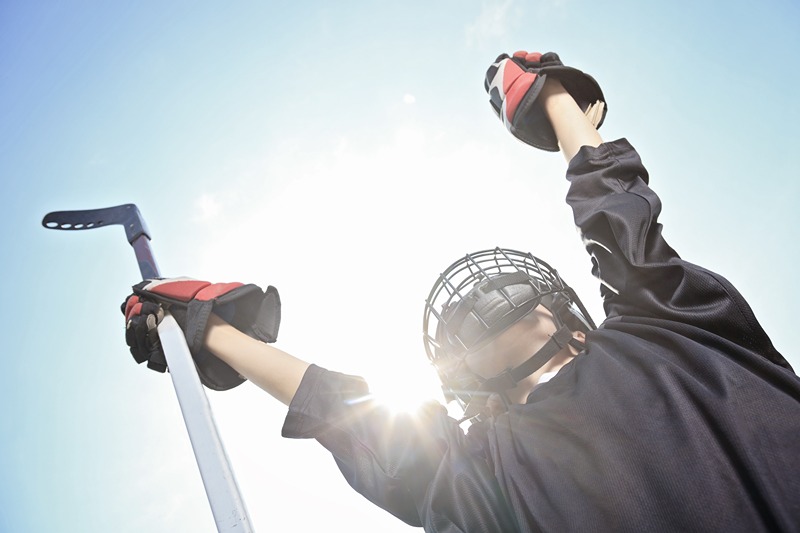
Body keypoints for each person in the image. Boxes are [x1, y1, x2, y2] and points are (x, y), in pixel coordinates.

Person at [123, 50, 800, 532]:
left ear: (568, 310)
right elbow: (341, 410)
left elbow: (615, 205)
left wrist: (549, 95)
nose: (479, 301)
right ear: (466, 380)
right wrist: (209, 328)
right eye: (462, 316)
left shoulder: (668, 326)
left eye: (499, 291)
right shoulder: (481, 477)